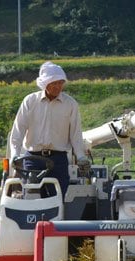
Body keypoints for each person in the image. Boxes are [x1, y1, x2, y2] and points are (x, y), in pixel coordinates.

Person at [9, 61, 90, 198]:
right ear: (45, 84)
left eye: (60, 83)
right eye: (54, 83)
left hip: (58, 160)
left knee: (57, 200)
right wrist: (14, 155)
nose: (58, 86)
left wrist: (81, 156)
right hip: (33, 159)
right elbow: (18, 130)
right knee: (31, 198)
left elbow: (75, 134)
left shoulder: (70, 104)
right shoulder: (30, 101)